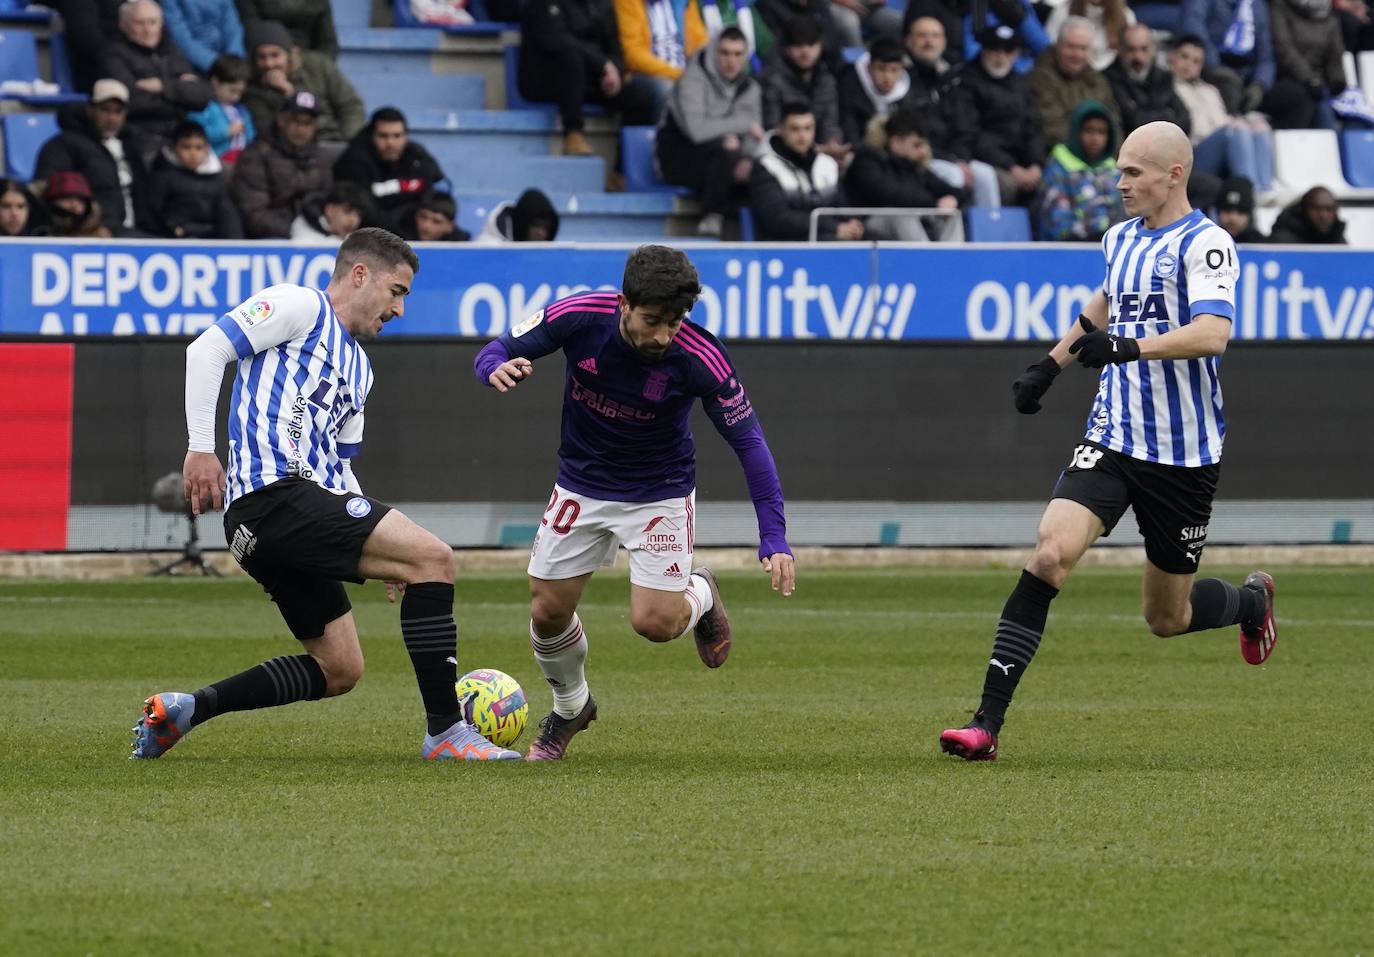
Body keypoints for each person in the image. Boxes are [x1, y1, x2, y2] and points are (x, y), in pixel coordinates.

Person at [938, 121, 1278, 762]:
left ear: (1173, 175)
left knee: (1166, 618)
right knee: (1047, 556)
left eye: (1132, 173)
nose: (1118, 184)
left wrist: (1126, 347)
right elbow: (1103, 303)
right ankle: (985, 724)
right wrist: (1049, 365)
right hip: (1113, 435)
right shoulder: (1120, 238)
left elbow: (1211, 333)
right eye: (1118, 171)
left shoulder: (1207, 245)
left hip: (1183, 455)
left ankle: (1250, 600)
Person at [133, 228, 519, 763]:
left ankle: (186, 710)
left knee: (340, 669)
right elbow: (207, 350)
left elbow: (340, 469)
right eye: (398, 291)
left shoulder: (360, 369)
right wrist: (201, 448)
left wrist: (385, 550)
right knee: (435, 558)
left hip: (281, 522)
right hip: (272, 497)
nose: (400, 309)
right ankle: (447, 733)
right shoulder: (300, 305)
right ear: (360, 275)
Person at [472, 244, 795, 761]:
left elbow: (750, 443)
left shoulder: (701, 356)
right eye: (653, 320)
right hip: (580, 483)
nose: (664, 335)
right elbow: (498, 346)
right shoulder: (579, 316)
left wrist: (774, 536)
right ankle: (571, 706)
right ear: (624, 302)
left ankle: (702, 594)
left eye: (675, 321)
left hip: (658, 494)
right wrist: (493, 368)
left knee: (655, 625)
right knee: (547, 610)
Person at [657, 27, 765, 237]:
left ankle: (762, 234)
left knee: (761, 163)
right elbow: (697, 131)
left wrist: (748, 158)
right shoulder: (691, 80)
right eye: (724, 53)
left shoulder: (750, 87)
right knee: (724, 150)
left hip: (725, 160)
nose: (731, 61)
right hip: (678, 157)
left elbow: (755, 135)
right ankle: (712, 218)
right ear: (714, 51)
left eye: (737, 54)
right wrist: (741, 125)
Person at [518, 0, 662, 156]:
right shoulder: (542, 4)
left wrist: (615, 72)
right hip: (548, 80)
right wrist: (603, 64)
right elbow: (557, 40)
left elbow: (617, 50)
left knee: (643, 96)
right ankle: (573, 135)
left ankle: (621, 172)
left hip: (593, 79)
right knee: (571, 59)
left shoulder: (603, 5)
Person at [34, 80, 155, 236]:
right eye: (105, 110)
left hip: (136, 232)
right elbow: (46, 190)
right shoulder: (65, 145)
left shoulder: (131, 146)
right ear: (90, 109)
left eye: (118, 111)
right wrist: (87, 226)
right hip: (91, 233)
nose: (112, 118)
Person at [906, 14, 1003, 208]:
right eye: (922, 36)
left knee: (985, 175)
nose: (929, 42)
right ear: (908, 41)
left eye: (935, 36)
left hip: (954, 157)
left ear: (943, 42)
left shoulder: (953, 78)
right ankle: (950, 237)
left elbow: (965, 127)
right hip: (921, 156)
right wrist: (952, 161)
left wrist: (961, 158)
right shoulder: (902, 78)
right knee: (954, 175)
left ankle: (989, 234)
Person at [98, 0, 212, 160]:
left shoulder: (170, 50)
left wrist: (163, 86)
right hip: (140, 137)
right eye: (139, 23)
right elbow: (130, 102)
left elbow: (202, 96)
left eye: (153, 22)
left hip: (180, 134)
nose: (148, 29)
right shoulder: (112, 54)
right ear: (123, 25)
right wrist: (181, 97)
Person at [946, 26, 1046, 205]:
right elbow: (970, 133)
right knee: (1007, 185)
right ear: (983, 49)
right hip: (987, 161)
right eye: (995, 50)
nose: (1001, 57)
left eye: (1008, 51)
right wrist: (1011, 167)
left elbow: (1033, 128)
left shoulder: (1021, 84)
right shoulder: (966, 81)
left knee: (1051, 183)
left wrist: (1036, 164)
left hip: (1020, 162)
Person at [1170, 34, 1276, 193]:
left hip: (1220, 140)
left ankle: (1265, 188)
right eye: (1184, 57)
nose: (1188, 65)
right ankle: (1248, 190)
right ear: (1172, 57)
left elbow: (1222, 120)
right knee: (1234, 130)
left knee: (1260, 126)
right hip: (1193, 151)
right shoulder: (1167, 88)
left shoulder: (1210, 90)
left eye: (1196, 61)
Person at [844, 109, 964, 240]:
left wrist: (952, 199)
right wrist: (934, 204)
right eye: (917, 145)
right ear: (896, 143)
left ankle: (951, 258)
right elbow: (890, 195)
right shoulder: (867, 160)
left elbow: (958, 192)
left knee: (952, 215)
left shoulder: (915, 166)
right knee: (901, 215)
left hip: (915, 220)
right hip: (865, 224)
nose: (924, 152)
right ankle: (923, 259)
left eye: (925, 145)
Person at [749, 102, 859, 240]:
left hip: (827, 235)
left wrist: (851, 223)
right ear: (781, 129)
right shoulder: (766, 166)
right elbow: (777, 218)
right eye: (795, 129)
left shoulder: (827, 164)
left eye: (808, 128)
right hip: (786, 245)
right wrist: (833, 228)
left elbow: (842, 205)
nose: (802, 136)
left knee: (874, 237)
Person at [242, 20, 365, 145]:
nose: (269, 64)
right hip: (291, 151)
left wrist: (350, 142)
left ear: (288, 55)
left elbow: (350, 105)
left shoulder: (318, 65)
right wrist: (287, 95)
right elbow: (268, 132)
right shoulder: (252, 89)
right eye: (261, 57)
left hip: (334, 139)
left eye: (275, 55)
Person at [230, 91, 333, 238]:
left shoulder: (321, 158)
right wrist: (295, 230)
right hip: (269, 238)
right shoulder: (257, 155)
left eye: (307, 123)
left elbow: (328, 203)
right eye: (296, 121)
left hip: (315, 233)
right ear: (281, 120)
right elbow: (253, 213)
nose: (301, 129)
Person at [333, 108, 448, 231]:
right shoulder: (353, 162)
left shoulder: (417, 156)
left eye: (397, 136)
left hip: (416, 230)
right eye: (383, 136)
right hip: (372, 237)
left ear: (405, 136)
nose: (390, 143)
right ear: (371, 136)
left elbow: (440, 194)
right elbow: (363, 213)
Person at [1035, 100, 1125, 240]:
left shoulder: (1113, 170)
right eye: (1089, 130)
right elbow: (1056, 223)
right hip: (1069, 250)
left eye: (1101, 132)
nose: (1095, 139)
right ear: (1076, 132)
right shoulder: (1059, 167)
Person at [759, 15, 845, 157]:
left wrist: (833, 143)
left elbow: (830, 123)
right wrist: (816, 150)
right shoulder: (771, 80)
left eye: (811, 45)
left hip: (820, 153)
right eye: (798, 46)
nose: (806, 52)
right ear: (786, 48)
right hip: (781, 154)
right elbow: (773, 130)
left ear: (820, 46)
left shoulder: (826, 79)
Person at [1029, 16, 1120, 149]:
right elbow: (1051, 127)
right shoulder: (1040, 78)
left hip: (1102, 161)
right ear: (1058, 45)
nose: (1077, 54)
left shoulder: (1098, 81)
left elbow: (1114, 124)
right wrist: (1092, 150)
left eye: (1083, 48)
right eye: (1071, 47)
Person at [149, 120, 244, 239]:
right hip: (172, 239)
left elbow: (228, 216)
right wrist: (171, 229)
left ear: (207, 150)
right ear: (174, 148)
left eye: (199, 148)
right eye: (186, 147)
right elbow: (152, 213)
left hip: (210, 239)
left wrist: (234, 244)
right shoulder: (163, 177)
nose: (193, 153)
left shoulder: (216, 180)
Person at [1179, 0, 1277, 114]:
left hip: (1247, 74)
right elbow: (1193, 27)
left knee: (1293, 95)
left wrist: (1259, 85)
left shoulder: (1257, 5)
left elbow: (1266, 56)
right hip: (1213, 66)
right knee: (1229, 85)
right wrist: (1214, 65)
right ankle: (1233, 126)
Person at [1263, 0, 1347, 129]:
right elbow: (1284, 49)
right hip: (1284, 77)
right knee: (1309, 103)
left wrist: (1338, 81)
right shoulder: (1279, 6)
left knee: (1326, 108)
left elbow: (1334, 53)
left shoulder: (1328, 13)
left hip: (1318, 83)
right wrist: (1309, 79)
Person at [614, 0, 709, 112]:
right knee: (668, 89)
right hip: (643, 76)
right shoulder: (627, 2)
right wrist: (679, 75)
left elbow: (701, 44)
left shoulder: (684, 2)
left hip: (684, 74)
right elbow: (633, 56)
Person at [1105, 24, 1192, 135]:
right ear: (1120, 49)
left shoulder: (1163, 77)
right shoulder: (1109, 78)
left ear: (1152, 49)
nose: (1138, 56)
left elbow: (1185, 120)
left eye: (1144, 49)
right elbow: (1132, 122)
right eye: (1131, 49)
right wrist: (1167, 115)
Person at [837, 36, 914, 149]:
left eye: (894, 70)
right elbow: (850, 133)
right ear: (869, 67)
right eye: (881, 69)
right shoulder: (850, 89)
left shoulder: (907, 95)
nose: (887, 77)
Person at [187, 54, 257, 165]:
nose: (236, 97)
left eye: (240, 93)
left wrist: (247, 130)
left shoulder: (241, 109)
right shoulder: (203, 106)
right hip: (216, 158)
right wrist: (226, 132)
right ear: (216, 82)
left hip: (242, 157)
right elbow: (198, 134)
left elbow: (251, 135)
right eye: (232, 91)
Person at [1045, 0, 1136, 71]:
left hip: (1113, 78)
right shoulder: (1063, 12)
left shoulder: (1126, 16)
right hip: (1070, 74)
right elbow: (1050, 48)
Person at [162, 0, 247, 73]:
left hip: (227, 61)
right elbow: (180, 36)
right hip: (193, 64)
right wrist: (213, 62)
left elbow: (232, 26)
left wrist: (234, 58)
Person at [235, 0, 338, 57]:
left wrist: (322, 69)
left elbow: (327, 42)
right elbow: (253, 32)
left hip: (308, 63)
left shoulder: (319, 3)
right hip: (266, 60)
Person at [290, 181, 374, 243]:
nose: (353, 220)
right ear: (329, 210)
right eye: (347, 211)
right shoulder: (304, 228)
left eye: (358, 214)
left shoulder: (355, 240)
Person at [40, 172, 112, 238]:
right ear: (51, 201)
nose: (74, 204)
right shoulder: (38, 230)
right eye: (66, 198)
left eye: (80, 199)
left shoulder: (100, 235)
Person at [476, 188, 561, 242]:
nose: (541, 233)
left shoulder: (546, 259)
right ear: (521, 224)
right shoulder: (489, 247)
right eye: (536, 225)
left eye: (546, 228)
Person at [1269, 185, 1347, 242]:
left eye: (1329, 209)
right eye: (1316, 209)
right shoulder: (1281, 243)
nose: (1323, 215)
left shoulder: (1339, 244)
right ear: (1303, 209)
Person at [396, 189, 471, 242]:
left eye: (436, 221)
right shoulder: (397, 236)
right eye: (423, 217)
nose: (426, 226)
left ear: (450, 227)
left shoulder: (462, 245)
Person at [1215, 175, 1269, 241]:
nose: (1233, 218)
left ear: (1250, 215)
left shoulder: (1262, 246)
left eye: (1240, 212)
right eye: (1227, 211)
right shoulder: (1207, 242)